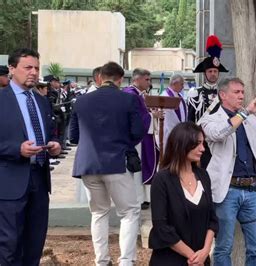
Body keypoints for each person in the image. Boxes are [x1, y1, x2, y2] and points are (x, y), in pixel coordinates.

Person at [200, 77, 256, 265]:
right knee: (223, 247)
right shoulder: (210, 120)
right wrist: (246, 111)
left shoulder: (251, 121)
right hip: (226, 191)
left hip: (251, 191)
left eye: (242, 92)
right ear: (223, 95)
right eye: (236, 92)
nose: (241, 96)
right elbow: (219, 133)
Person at [69, 61, 144, 266]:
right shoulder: (128, 100)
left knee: (99, 212)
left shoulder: (81, 101)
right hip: (117, 163)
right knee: (129, 212)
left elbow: (73, 137)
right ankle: (126, 261)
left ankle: (101, 260)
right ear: (120, 80)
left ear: (100, 77)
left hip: (88, 165)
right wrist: (124, 142)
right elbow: (138, 132)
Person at [0, 48, 61, 265]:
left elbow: (52, 131)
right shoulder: (2, 99)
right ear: (12, 69)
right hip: (9, 184)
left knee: (34, 244)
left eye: (36, 67)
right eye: (28, 67)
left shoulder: (41, 101)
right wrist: (16, 149)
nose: (33, 72)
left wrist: (55, 144)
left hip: (39, 181)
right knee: (9, 246)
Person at [149, 122, 218, 265]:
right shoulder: (162, 180)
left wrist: (205, 252)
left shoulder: (203, 176)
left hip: (201, 259)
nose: (203, 149)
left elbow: (212, 219)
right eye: (198, 144)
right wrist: (192, 256)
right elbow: (161, 226)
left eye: (203, 143)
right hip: (170, 260)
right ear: (183, 144)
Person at [187, 35, 229, 168]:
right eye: (210, 71)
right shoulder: (195, 93)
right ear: (205, 73)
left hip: (222, 139)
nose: (213, 74)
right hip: (202, 142)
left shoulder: (225, 94)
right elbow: (190, 120)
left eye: (215, 71)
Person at [123, 68, 160, 210]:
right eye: (147, 79)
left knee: (143, 165)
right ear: (137, 79)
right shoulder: (131, 94)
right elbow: (136, 118)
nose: (149, 82)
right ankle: (137, 199)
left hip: (142, 136)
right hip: (136, 139)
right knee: (137, 167)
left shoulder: (139, 94)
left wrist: (151, 114)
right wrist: (152, 116)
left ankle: (143, 197)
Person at [159, 73, 187, 152]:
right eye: (181, 84)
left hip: (180, 132)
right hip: (170, 133)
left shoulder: (179, 96)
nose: (183, 86)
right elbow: (169, 119)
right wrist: (179, 131)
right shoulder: (165, 96)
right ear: (175, 83)